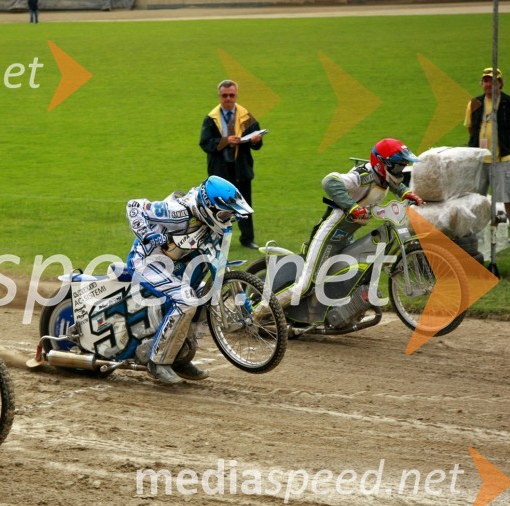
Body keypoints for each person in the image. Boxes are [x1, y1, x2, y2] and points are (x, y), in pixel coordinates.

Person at [265, 138, 423, 312]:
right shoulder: (363, 176)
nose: (400, 171)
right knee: (306, 285)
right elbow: (329, 181)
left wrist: (406, 193)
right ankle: (259, 311)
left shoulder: (382, 176)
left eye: (403, 166)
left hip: (346, 234)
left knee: (345, 278)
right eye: (398, 166)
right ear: (381, 164)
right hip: (329, 232)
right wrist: (352, 207)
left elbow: (393, 183)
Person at [126, 175, 252, 384]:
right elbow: (134, 206)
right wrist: (147, 235)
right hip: (147, 261)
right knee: (186, 300)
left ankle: (180, 356)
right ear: (209, 208)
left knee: (202, 296)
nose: (228, 219)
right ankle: (157, 362)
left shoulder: (209, 219)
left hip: (175, 263)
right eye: (224, 214)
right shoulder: (177, 213)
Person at [199, 79, 264, 249]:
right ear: (219, 96)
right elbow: (205, 143)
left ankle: (247, 239)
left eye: (231, 95)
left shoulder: (245, 116)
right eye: (224, 95)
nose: (228, 98)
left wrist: (255, 140)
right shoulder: (211, 118)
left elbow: (257, 143)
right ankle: (217, 238)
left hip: (241, 168)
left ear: (236, 95)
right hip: (220, 169)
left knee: (244, 204)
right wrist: (225, 141)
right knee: (218, 206)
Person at [464, 67, 510, 244]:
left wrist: (505, 143)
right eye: (486, 80)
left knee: (507, 195)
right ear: (482, 83)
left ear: (500, 83)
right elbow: (470, 127)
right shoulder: (474, 103)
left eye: (493, 81)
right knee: (476, 197)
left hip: (502, 159)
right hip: (480, 160)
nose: (489, 84)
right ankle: (474, 229)